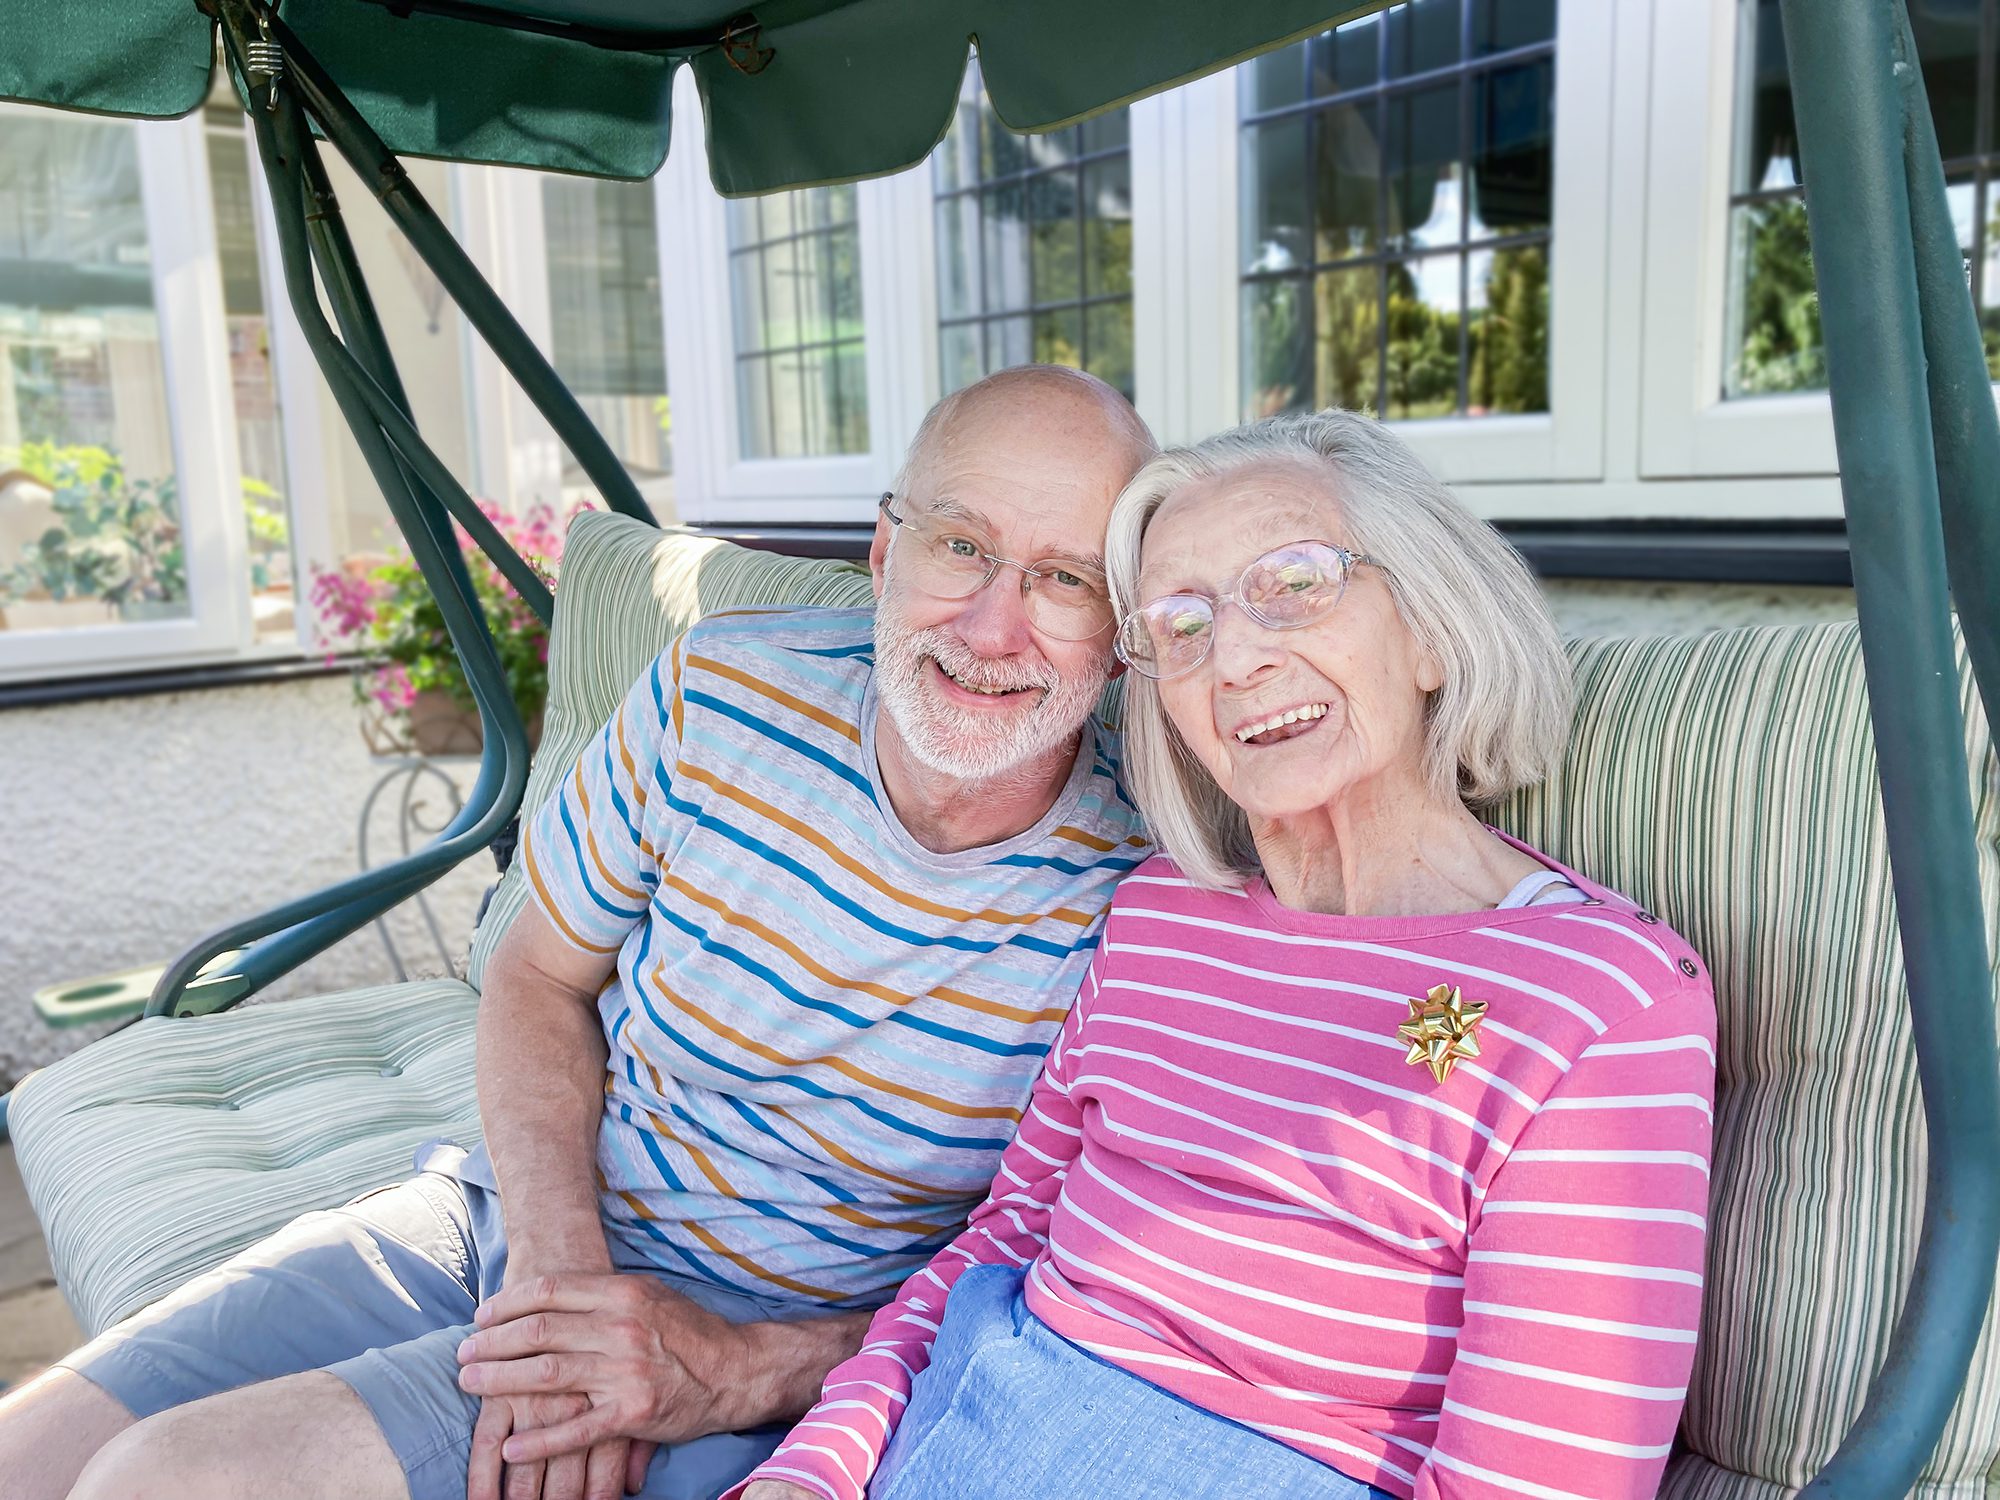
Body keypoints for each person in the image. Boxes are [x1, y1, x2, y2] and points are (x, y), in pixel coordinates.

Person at [0, 365, 1158, 1500]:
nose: (994, 624)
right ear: (881, 549)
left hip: (759, 1343)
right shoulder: (718, 694)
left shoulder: (1148, 892)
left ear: (1117, 633)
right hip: (510, 1219)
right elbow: (536, 977)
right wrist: (558, 1285)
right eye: (960, 543)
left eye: (1063, 578)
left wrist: (740, 1369)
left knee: (158, 1483)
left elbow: (1072, 1271)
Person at [739, 409, 1717, 1500]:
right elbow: (1002, 1242)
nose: (1238, 657)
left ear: (1431, 632)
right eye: (1182, 623)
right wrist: (812, 1471)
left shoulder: (1593, 1000)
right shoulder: (1161, 914)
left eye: (1294, 583)